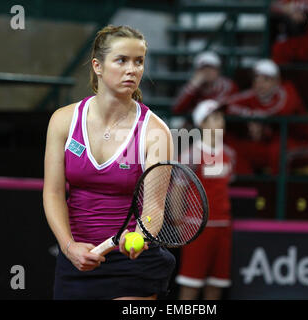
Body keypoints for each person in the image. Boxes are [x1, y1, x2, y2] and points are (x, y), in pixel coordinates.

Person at [43, 25, 176, 300]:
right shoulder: (63, 121)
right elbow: (53, 192)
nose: (133, 69)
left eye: (139, 61)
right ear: (98, 66)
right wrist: (69, 247)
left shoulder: (156, 132)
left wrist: (140, 234)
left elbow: (153, 207)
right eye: (122, 60)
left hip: (133, 263)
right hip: (76, 259)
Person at [176, 99, 235, 300]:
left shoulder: (229, 154)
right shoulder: (191, 154)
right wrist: (178, 224)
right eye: (214, 117)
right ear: (202, 124)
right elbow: (178, 189)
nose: (221, 121)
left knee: (216, 286)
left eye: (221, 117)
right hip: (197, 228)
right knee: (190, 284)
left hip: (222, 227)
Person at [225, 59, 308, 175]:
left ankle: (276, 192)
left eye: (266, 79)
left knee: (278, 152)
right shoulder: (252, 95)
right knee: (234, 147)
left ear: (277, 81)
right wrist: (251, 118)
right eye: (256, 78)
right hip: (271, 143)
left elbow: (282, 111)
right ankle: (247, 187)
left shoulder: (287, 92)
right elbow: (226, 105)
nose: (259, 84)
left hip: (305, 144)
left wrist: (257, 120)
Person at [172, 51, 239, 115]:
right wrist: (193, 86)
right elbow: (177, 109)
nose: (208, 72)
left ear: (218, 70)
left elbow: (229, 109)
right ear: (197, 72)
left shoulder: (228, 86)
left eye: (211, 68)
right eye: (203, 69)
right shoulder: (192, 88)